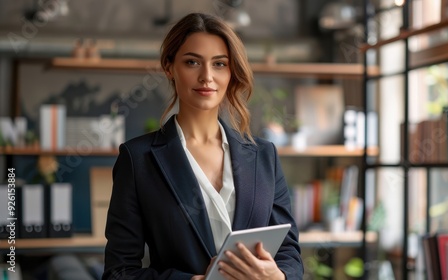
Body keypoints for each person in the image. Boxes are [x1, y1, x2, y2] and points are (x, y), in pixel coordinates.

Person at [103, 12, 303, 280]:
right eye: (192, 62)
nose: (207, 76)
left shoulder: (264, 155)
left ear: (232, 72)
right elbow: (119, 272)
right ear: (169, 67)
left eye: (219, 64)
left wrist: (278, 277)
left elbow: (289, 253)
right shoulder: (138, 159)